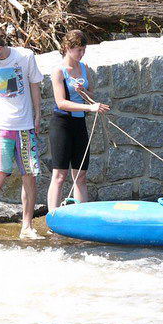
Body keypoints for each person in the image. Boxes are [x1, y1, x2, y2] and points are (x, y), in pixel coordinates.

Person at [0, 30, 44, 244]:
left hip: (24, 126)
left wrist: (38, 114)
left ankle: (27, 226)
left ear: (0, 49)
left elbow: (34, 85)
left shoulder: (25, 57)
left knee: (29, 175)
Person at [47, 30, 110, 212]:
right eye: (78, 50)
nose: (81, 54)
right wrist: (89, 107)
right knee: (59, 174)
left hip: (79, 124)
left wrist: (84, 92)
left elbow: (91, 94)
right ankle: (54, 216)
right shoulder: (58, 71)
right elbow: (61, 102)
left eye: (83, 50)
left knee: (80, 175)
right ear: (67, 48)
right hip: (62, 124)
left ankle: (82, 215)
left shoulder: (84, 67)